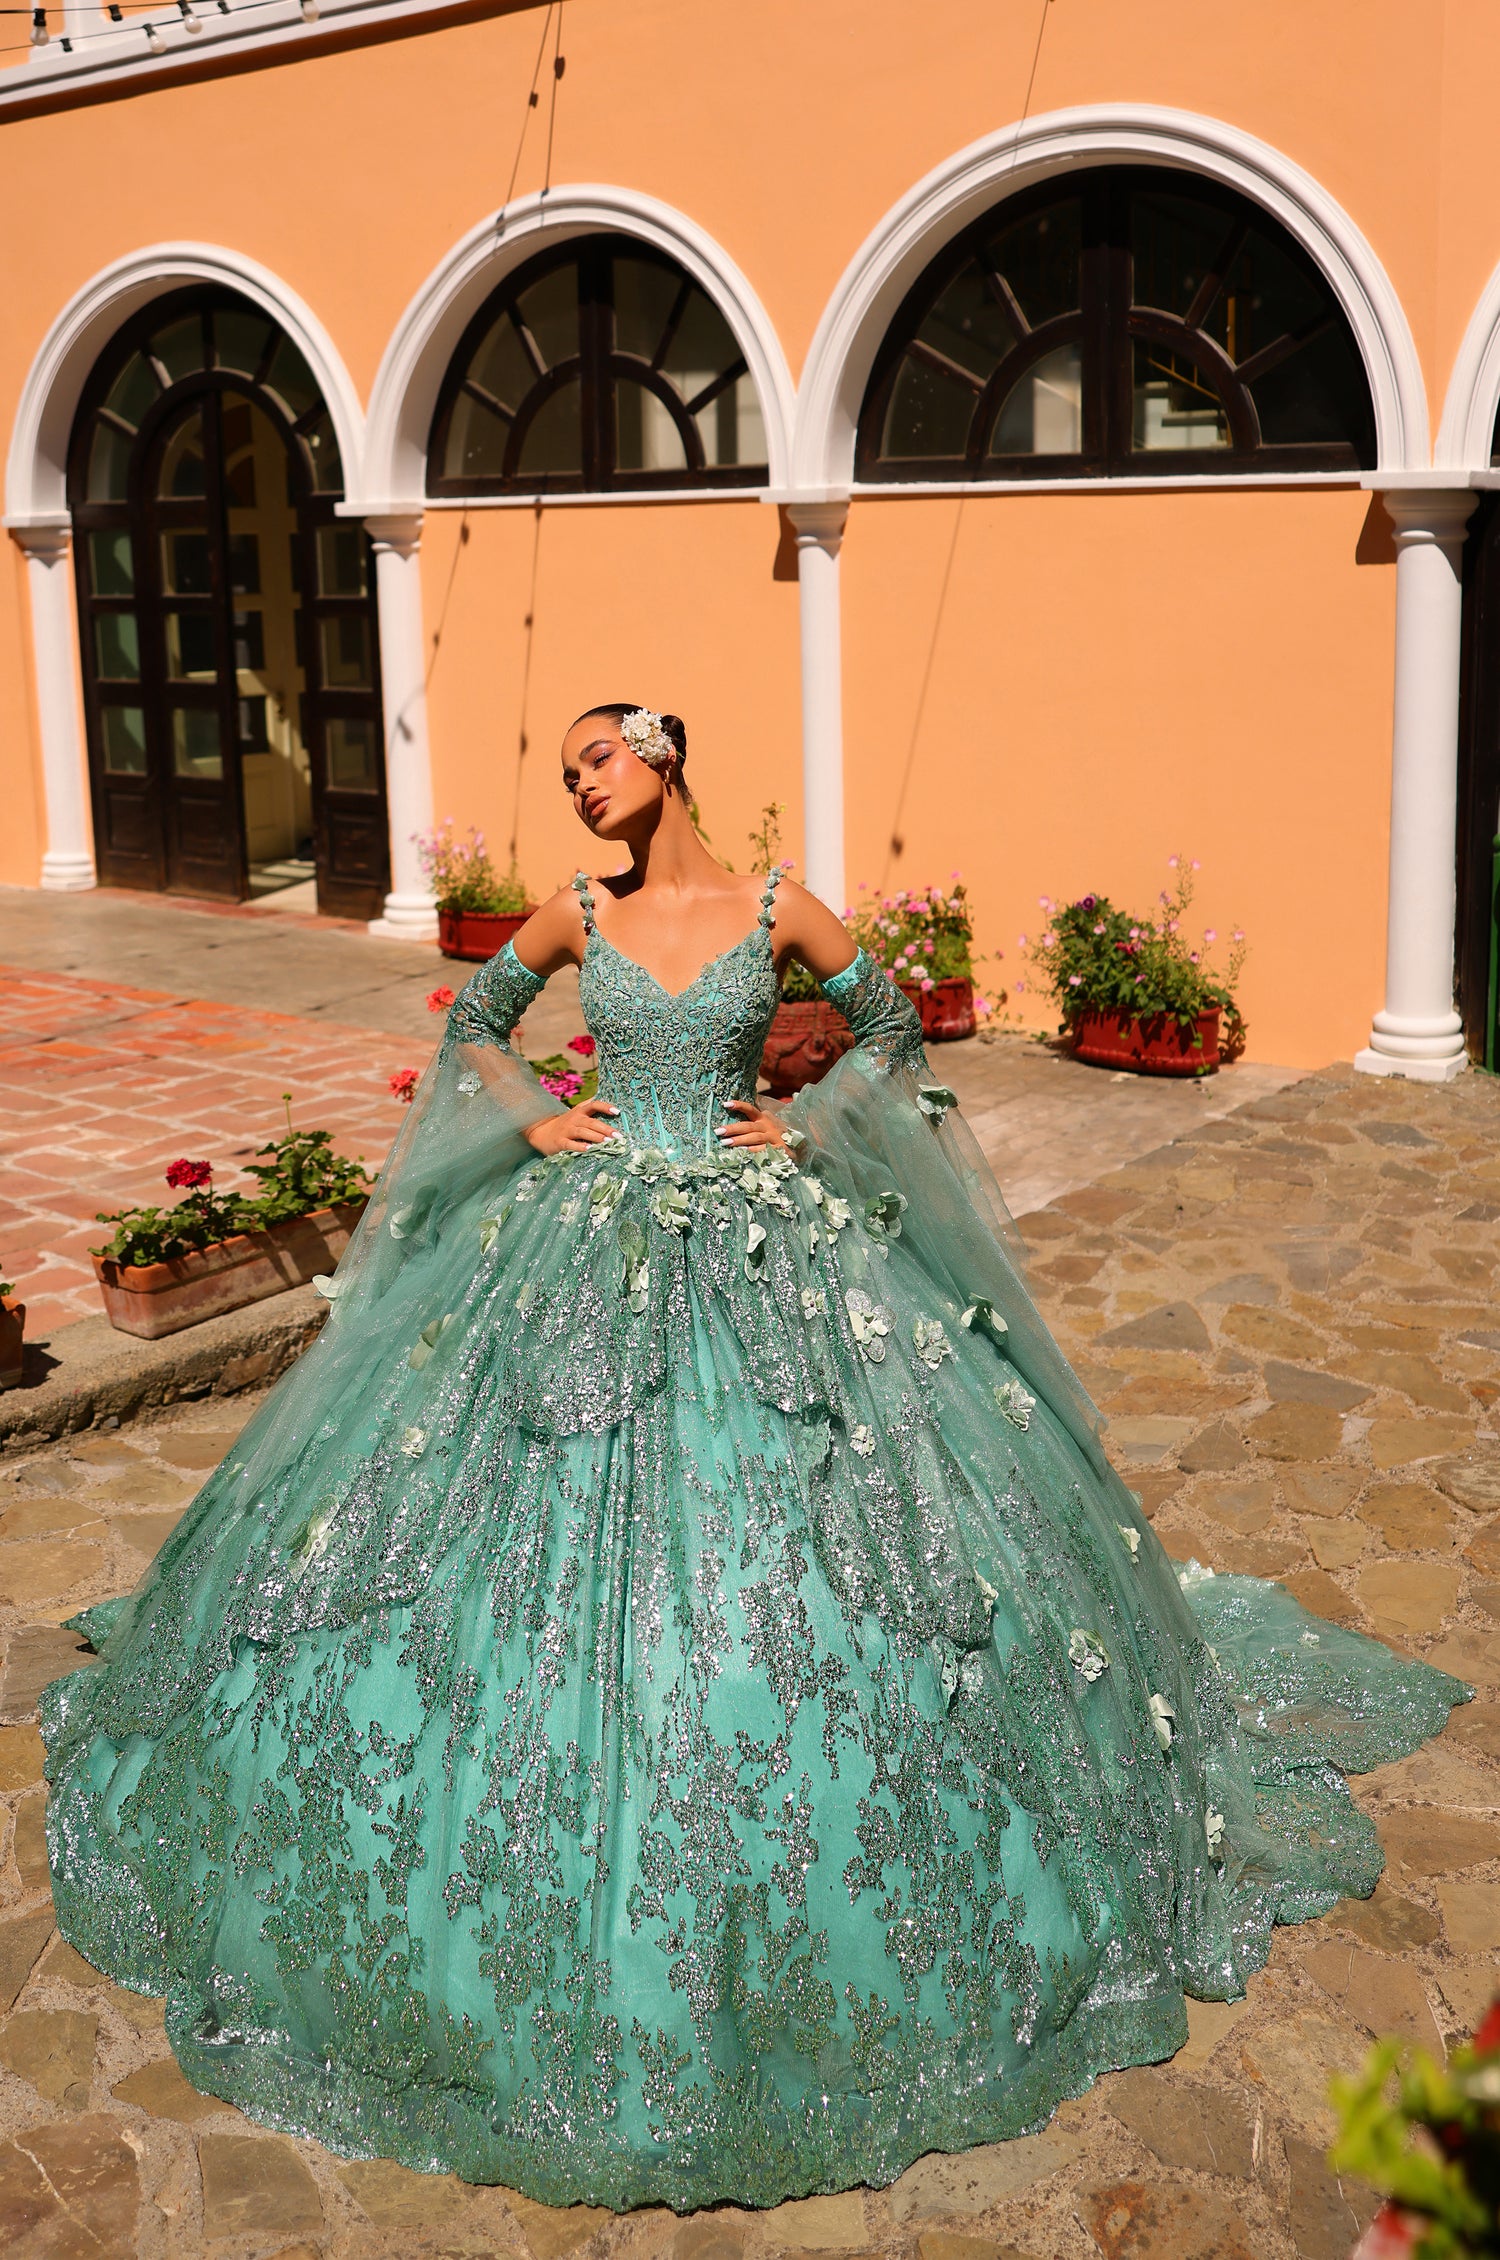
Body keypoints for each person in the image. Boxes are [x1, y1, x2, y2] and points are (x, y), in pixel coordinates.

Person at [39, 703, 1468, 2215]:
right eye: (569, 775)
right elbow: (469, 1027)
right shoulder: (576, 911)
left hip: (757, 1235)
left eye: (597, 760)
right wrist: (531, 1123)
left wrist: (810, 1121)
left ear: (662, 758)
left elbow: (897, 1028)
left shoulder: (781, 905)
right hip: (585, 1245)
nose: (582, 789)